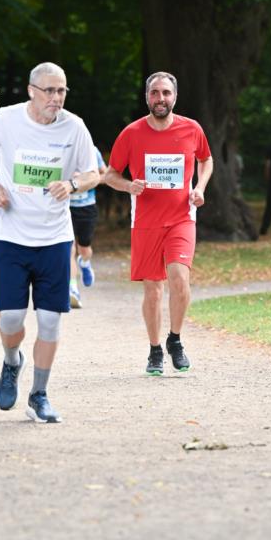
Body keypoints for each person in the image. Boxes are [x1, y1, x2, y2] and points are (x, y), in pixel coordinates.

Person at [0, 62, 99, 422]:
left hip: (55, 238)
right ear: (31, 91)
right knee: (10, 320)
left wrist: (72, 185)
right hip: (10, 235)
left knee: (50, 322)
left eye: (61, 91)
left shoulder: (75, 127)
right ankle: (12, 361)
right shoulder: (6, 120)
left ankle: (39, 395)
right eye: (49, 91)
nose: (56, 98)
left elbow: (93, 173)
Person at [104, 71, 213, 375]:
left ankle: (175, 340)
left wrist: (200, 187)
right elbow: (110, 174)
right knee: (153, 289)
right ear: (147, 97)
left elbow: (206, 160)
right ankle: (155, 350)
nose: (160, 99)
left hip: (182, 217)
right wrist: (129, 186)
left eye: (166, 93)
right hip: (146, 222)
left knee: (179, 279)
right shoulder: (132, 133)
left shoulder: (192, 129)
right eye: (155, 93)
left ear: (174, 96)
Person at [69, 144, 107, 308]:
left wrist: (85, 179)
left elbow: (104, 175)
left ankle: (84, 262)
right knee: (68, 248)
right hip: (64, 206)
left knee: (84, 248)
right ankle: (72, 288)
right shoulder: (58, 147)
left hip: (86, 207)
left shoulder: (92, 150)